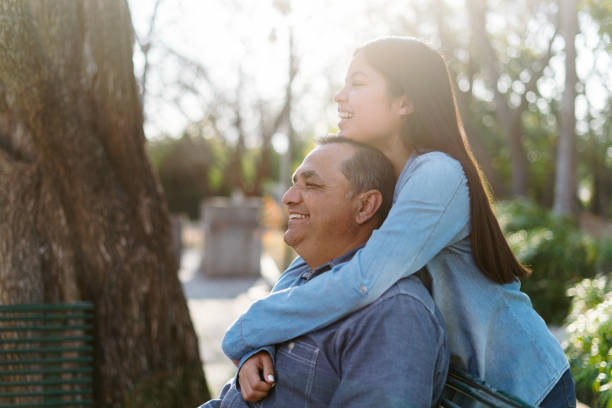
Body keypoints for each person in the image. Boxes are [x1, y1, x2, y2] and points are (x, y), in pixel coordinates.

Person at [222, 37, 575, 407]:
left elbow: (362, 280)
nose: (340, 96)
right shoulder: (385, 174)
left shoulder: (437, 174)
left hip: (526, 390)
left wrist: (249, 328)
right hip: (464, 390)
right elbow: (311, 266)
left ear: (405, 101)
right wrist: (257, 343)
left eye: (357, 83)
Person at [200, 137, 449, 407]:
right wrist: (260, 346)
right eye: (294, 183)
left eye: (312, 185)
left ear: (364, 206)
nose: (288, 197)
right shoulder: (302, 278)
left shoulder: (394, 313)